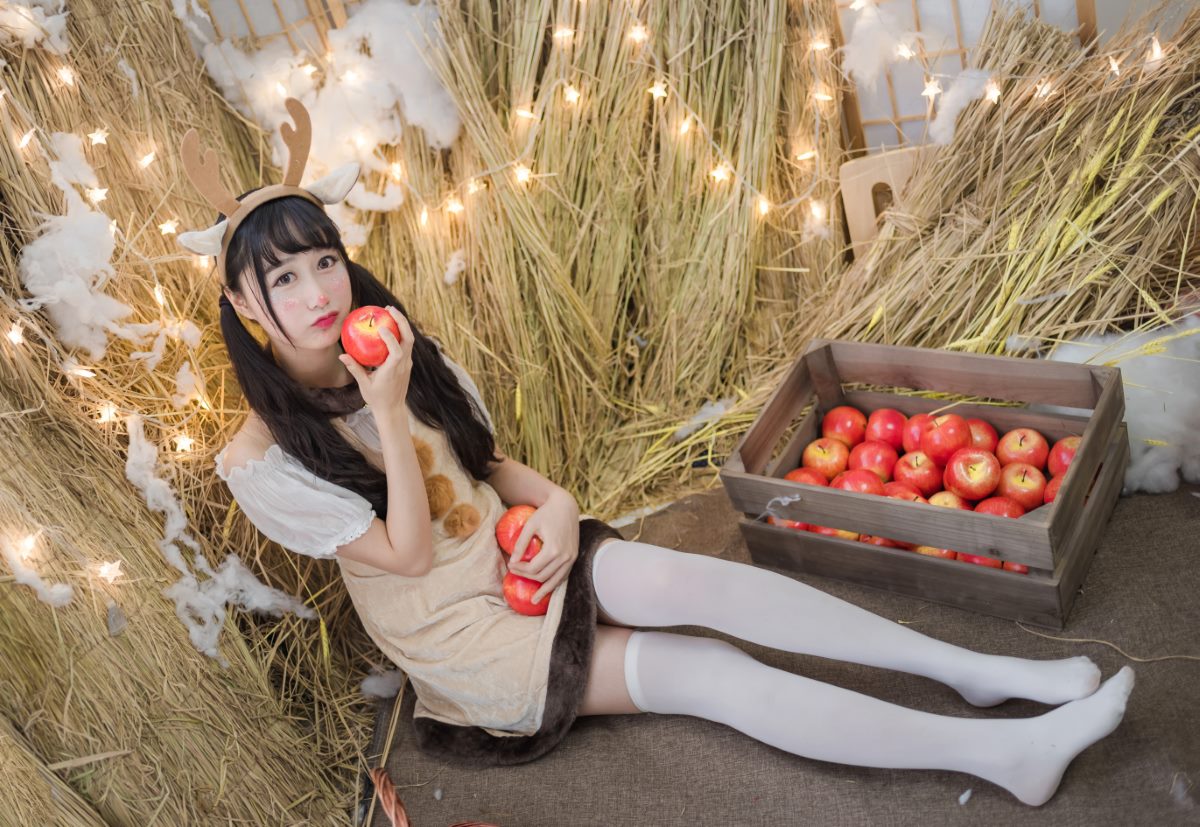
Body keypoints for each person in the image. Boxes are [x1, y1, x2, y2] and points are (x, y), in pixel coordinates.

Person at [189, 99, 1134, 808]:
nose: (319, 291)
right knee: (707, 671)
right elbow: (404, 552)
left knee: (701, 582)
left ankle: (977, 671)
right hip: (468, 642)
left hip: (523, 555)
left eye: (324, 260)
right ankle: (1004, 756)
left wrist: (558, 505)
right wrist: (387, 413)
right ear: (242, 305)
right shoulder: (262, 458)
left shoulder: (395, 343)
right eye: (283, 277)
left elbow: (486, 464)